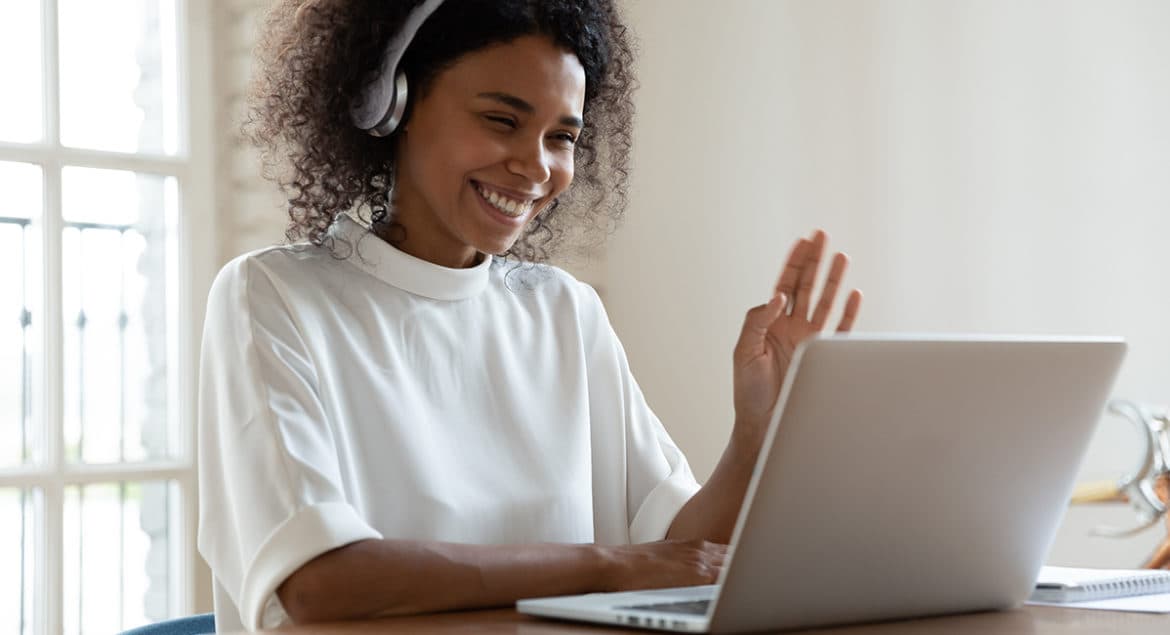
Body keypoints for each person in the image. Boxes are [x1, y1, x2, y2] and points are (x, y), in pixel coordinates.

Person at [197, 0, 863, 631]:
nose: (536, 166)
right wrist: (606, 567)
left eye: (562, 136)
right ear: (392, 104)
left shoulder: (564, 311)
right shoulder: (272, 297)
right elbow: (319, 582)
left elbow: (682, 552)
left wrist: (757, 435)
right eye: (501, 120)